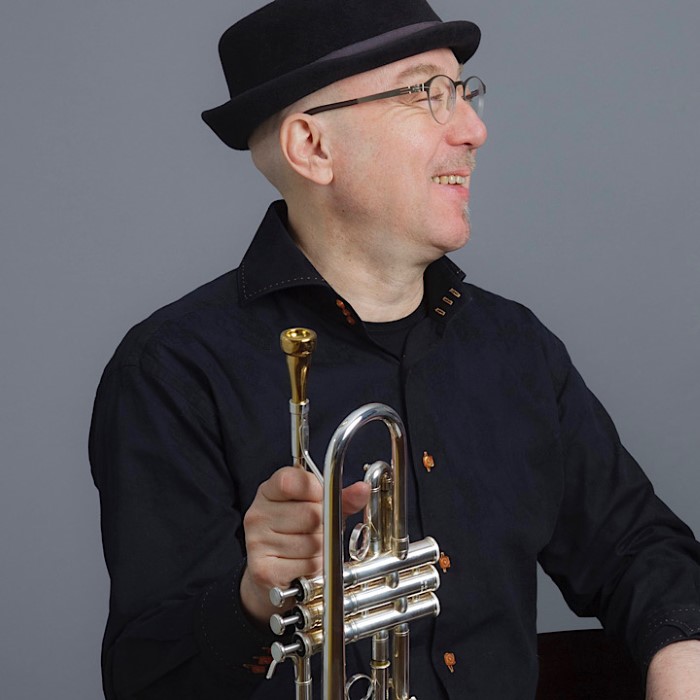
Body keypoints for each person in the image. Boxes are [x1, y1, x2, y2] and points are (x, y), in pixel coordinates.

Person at [89, 0, 700, 698]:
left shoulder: (516, 349)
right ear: (313, 147)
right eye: (426, 95)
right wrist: (252, 602)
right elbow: (148, 679)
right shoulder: (174, 370)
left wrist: (681, 658)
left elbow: (639, 550)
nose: (474, 129)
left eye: (463, 92)